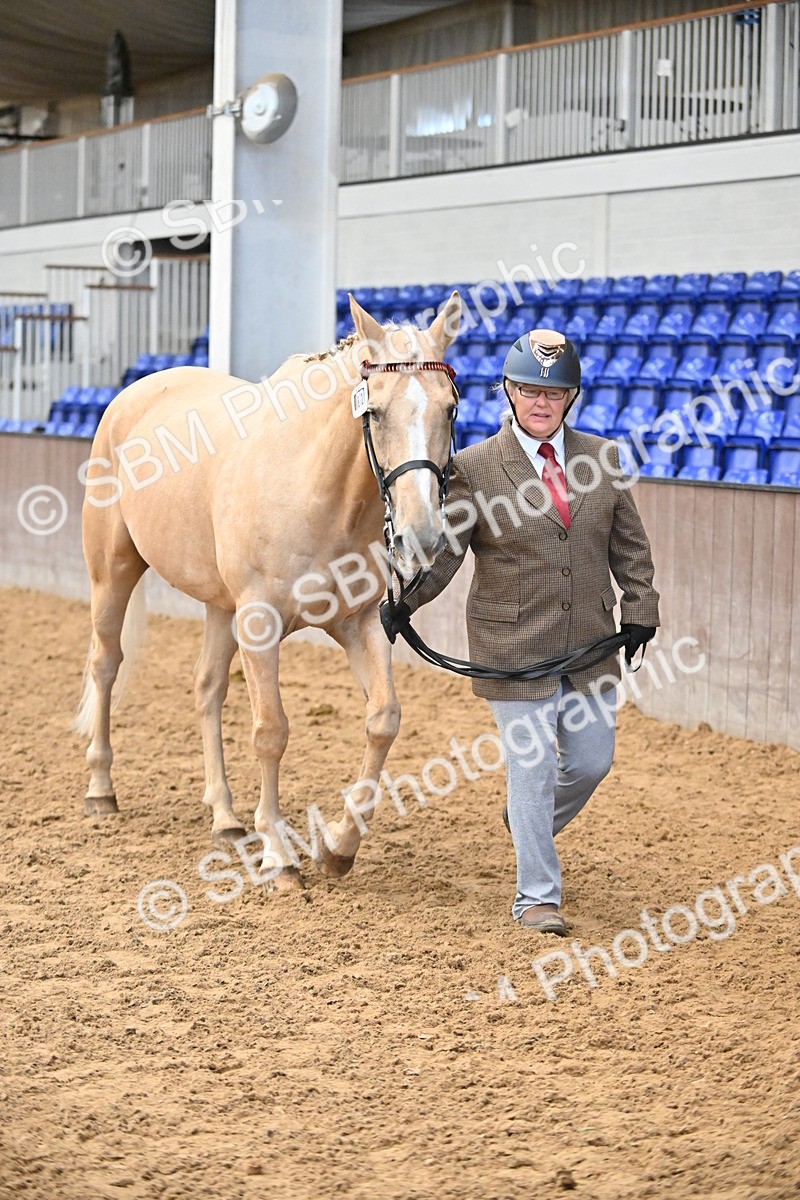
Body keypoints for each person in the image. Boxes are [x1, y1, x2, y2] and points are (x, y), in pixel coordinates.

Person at [381, 328, 660, 935]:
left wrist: (642, 606)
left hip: (590, 640)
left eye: (553, 393)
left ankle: (525, 820)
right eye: (529, 390)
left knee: (591, 762)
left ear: (572, 397)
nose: (541, 401)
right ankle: (537, 895)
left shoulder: (605, 460)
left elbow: (630, 549)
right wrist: (404, 601)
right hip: (511, 646)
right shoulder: (475, 469)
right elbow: (448, 554)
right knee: (530, 767)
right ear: (507, 392)